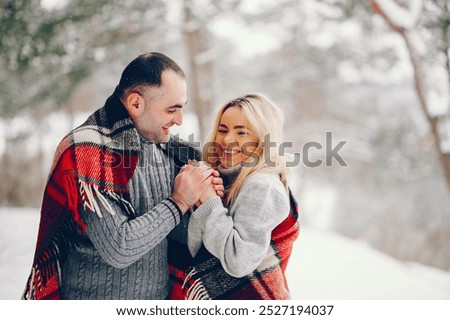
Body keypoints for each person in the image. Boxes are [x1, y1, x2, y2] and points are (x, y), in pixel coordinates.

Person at [22, 52, 223, 300]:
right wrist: (179, 201)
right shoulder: (87, 151)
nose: (180, 121)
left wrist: (203, 196)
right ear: (135, 103)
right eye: (172, 109)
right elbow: (119, 247)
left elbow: (176, 235)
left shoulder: (173, 151)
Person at [168, 93, 300, 300]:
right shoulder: (229, 179)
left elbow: (238, 261)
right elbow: (197, 246)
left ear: (262, 138)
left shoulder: (262, 186)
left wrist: (210, 201)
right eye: (223, 130)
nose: (227, 140)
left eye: (241, 133)